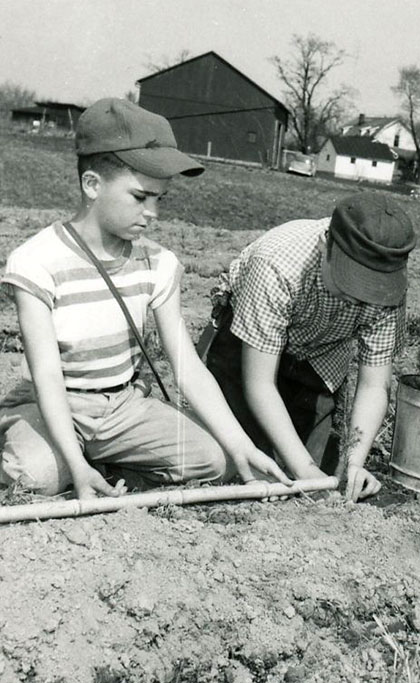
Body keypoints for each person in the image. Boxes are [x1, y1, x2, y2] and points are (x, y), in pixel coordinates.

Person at [0, 98, 291, 499]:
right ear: (92, 185)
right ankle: (74, 462)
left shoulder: (158, 262)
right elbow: (48, 375)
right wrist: (76, 461)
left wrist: (241, 444)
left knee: (214, 459)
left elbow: (187, 366)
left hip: (123, 408)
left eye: (160, 199)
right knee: (34, 477)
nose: (152, 212)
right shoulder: (36, 261)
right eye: (140, 197)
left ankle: (94, 466)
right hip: (55, 405)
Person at [204, 192, 416, 502]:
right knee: (240, 465)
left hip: (319, 359)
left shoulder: (389, 285)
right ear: (324, 248)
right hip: (245, 350)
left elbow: (374, 385)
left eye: (370, 291)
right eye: (351, 285)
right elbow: (260, 383)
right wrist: (306, 472)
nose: (359, 299)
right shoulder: (277, 263)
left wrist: (353, 463)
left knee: (314, 472)